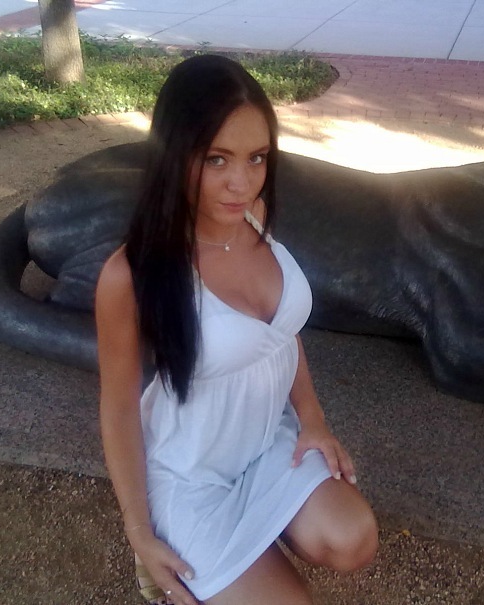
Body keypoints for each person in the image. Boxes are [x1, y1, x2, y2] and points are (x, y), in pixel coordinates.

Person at [95, 55, 378, 605]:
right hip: (189, 475)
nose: (241, 183)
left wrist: (312, 420)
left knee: (353, 540)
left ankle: (250, 546)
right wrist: (139, 530)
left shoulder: (253, 215)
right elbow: (119, 408)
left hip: (266, 444)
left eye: (257, 158)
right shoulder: (130, 275)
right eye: (216, 159)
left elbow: (280, 335)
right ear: (175, 154)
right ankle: (213, 555)